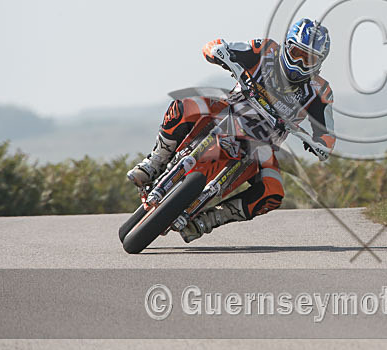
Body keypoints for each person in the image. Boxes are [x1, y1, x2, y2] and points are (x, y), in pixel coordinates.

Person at [127, 18, 334, 242]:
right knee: (184, 105)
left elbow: (327, 132)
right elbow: (216, 46)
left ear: (319, 62)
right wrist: (219, 52)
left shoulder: (320, 91)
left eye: (309, 59)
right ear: (287, 46)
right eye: (297, 53)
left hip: (263, 145)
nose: (301, 63)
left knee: (272, 192)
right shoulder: (264, 50)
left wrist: (322, 144)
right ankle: (155, 161)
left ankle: (211, 219)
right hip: (227, 111)